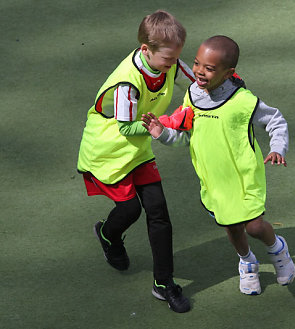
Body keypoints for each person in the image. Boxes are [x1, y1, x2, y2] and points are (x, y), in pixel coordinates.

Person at [142, 35, 295, 295]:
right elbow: (187, 136)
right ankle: (247, 261)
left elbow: (276, 121)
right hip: (213, 179)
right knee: (232, 226)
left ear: (228, 73)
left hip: (244, 176)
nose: (200, 72)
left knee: (255, 225)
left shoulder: (243, 101)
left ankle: (278, 250)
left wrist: (277, 148)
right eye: (197, 63)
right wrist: (162, 134)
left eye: (210, 68)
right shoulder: (192, 95)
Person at [77, 10, 194, 313]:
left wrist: (224, 90)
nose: (173, 65)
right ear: (146, 50)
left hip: (139, 148)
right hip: (109, 150)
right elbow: (127, 127)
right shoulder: (127, 84)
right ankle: (107, 234)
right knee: (130, 209)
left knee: (158, 211)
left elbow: (197, 87)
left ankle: (163, 283)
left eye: (175, 58)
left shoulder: (169, 62)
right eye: (168, 59)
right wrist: (168, 123)